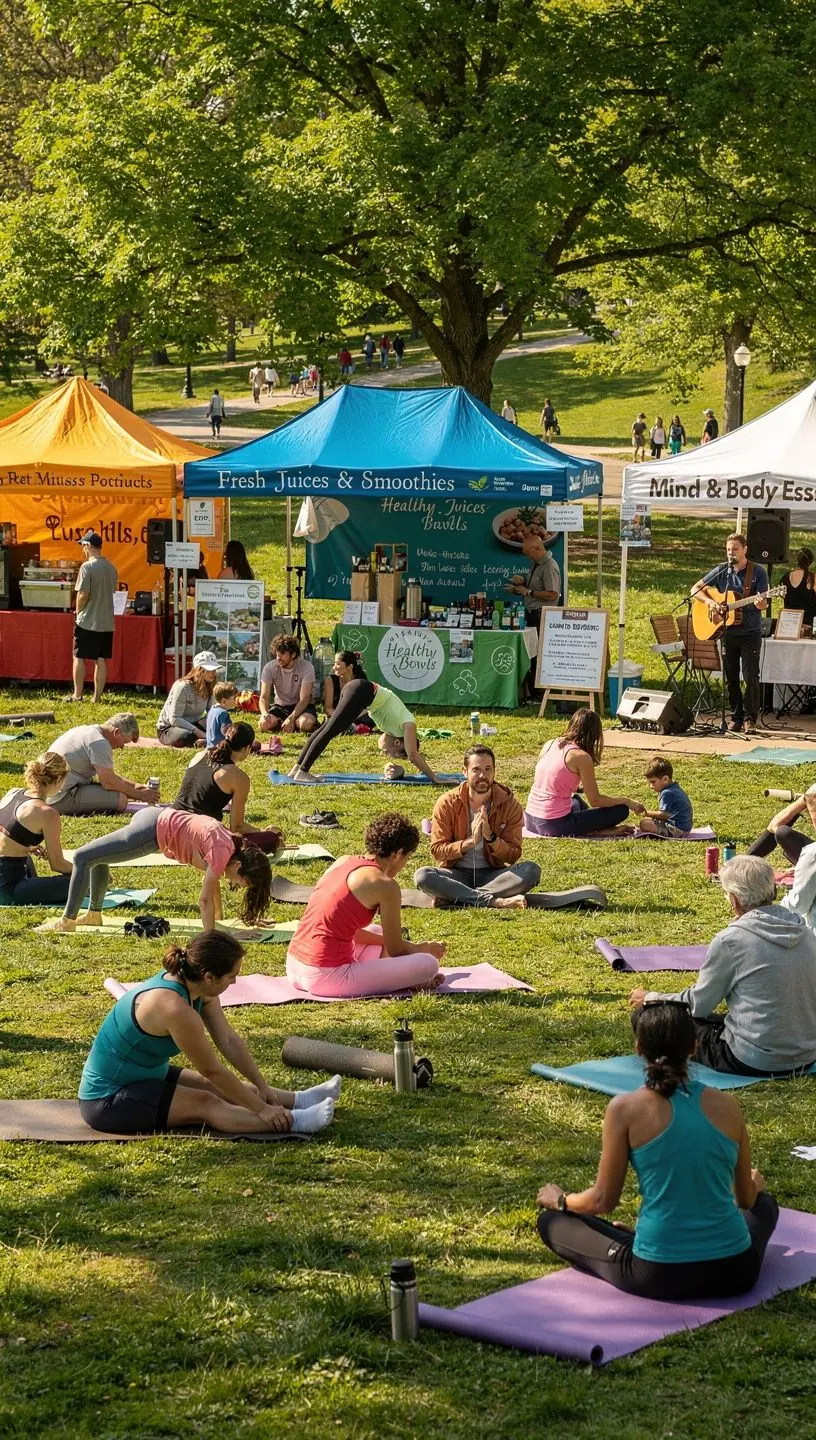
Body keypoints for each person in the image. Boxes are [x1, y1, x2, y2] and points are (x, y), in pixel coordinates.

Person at [536, 1000, 779, 1301]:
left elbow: (602, 1200)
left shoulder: (624, 1109)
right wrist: (756, 1184)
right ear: (694, 1047)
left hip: (659, 1273)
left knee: (551, 1221)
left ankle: (629, 1239)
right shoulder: (728, 1106)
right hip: (736, 1272)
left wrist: (560, 1200)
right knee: (765, 1205)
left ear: (638, 1048)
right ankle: (632, 1239)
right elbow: (745, 1199)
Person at [78, 931, 338, 1135]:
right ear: (210, 976)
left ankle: (301, 1099)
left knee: (209, 1087)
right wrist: (262, 1109)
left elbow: (228, 1040)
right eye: (231, 976)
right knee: (206, 1101)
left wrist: (262, 1086)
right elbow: (212, 1070)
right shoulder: (174, 1008)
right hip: (108, 1099)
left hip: (146, 1075)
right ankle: (292, 1121)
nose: (235, 982)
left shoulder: (197, 988)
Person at [629, 855, 816, 1076]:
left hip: (753, 1059)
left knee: (646, 1015)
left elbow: (699, 1004)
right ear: (773, 892)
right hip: (806, 1055)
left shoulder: (732, 940)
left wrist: (652, 997)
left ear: (735, 900)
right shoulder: (805, 932)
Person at [285, 813, 445, 997]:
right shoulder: (385, 885)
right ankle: (409, 978)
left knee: (376, 931)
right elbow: (397, 949)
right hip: (325, 976)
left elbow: (354, 933)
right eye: (406, 857)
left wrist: (403, 945)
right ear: (398, 854)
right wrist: (423, 948)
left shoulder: (343, 861)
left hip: (294, 965)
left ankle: (394, 975)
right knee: (428, 964)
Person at [42, 808, 272, 934]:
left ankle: (94, 915)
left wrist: (219, 920)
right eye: (244, 884)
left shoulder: (228, 846)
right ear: (239, 867)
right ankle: (68, 920)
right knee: (83, 857)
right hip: (150, 831)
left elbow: (211, 889)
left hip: (153, 818)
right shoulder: (223, 851)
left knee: (99, 857)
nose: (238, 886)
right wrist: (212, 937)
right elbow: (204, 901)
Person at [414, 745, 541, 909]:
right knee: (423, 876)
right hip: (456, 873)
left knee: (531, 870)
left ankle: (456, 896)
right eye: (476, 770)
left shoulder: (509, 805)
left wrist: (491, 838)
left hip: (494, 875)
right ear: (464, 772)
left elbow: (513, 855)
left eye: (488, 769)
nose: (483, 775)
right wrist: (470, 842)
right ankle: (493, 901)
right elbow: (437, 851)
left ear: (495, 771)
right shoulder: (447, 803)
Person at [288, 670, 441, 784]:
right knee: (330, 731)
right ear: (397, 742)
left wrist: (421, 770)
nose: (387, 754)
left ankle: (297, 768)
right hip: (360, 691)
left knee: (327, 728)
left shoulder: (393, 727)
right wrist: (434, 777)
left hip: (359, 690)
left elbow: (409, 753)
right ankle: (302, 771)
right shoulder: (408, 724)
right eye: (394, 753)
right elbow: (413, 754)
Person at [691, 532, 768, 735]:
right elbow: (695, 588)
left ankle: (751, 719)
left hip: (750, 632)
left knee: (750, 676)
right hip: (727, 631)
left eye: (734, 549)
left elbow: (764, 603)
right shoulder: (722, 571)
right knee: (730, 677)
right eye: (728, 550)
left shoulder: (758, 573)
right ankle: (736, 717)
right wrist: (710, 602)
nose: (730, 553)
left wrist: (761, 603)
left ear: (745, 549)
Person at [524, 708, 645, 837]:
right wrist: (626, 801)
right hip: (554, 824)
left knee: (576, 801)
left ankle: (594, 828)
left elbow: (551, 777)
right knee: (621, 810)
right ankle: (600, 830)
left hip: (531, 819)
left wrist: (578, 788)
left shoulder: (550, 743)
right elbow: (595, 800)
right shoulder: (581, 757)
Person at [174, 721, 284, 853]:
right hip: (198, 837)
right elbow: (237, 827)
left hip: (171, 827)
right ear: (246, 748)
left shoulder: (200, 755)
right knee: (271, 838)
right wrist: (262, 831)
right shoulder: (239, 778)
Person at [0, 752, 72, 905]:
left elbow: (7, 830)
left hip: (9, 870)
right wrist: (91, 874)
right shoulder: (47, 813)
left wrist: (24, 846)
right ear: (59, 779)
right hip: (7, 888)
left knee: (25, 858)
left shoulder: (12, 793)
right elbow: (57, 864)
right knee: (80, 881)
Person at [50, 714, 156, 815]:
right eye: (124, 741)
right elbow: (109, 783)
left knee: (123, 793)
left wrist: (136, 787)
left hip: (50, 792)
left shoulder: (89, 731)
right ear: (117, 732)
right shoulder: (99, 743)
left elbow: (109, 775)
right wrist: (141, 795)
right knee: (121, 800)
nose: (122, 746)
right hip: (59, 799)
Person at [71, 531, 118, 703]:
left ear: (88, 546)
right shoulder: (111, 568)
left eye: (83, 545)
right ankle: (97, 697)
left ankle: (77, 694)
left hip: (88, 619)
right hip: (106, 621)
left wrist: (78, 611)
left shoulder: (87, 567)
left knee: (79, 656)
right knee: (101, 659)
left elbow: (83, 594)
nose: (83, 549)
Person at [157, 652, 220, 747]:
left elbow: (211, 712)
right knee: (186, 736)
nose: (213, 673)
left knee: (218, 724)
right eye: (209, 670)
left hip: (194, 724)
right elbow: (174, 719)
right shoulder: (183, 687)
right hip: (170, 728)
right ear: (199, 670)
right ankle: (201, 740)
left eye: (214, 669)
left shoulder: (210, 686)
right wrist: (198, 731)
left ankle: (203, 740)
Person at [259, 634, 318, 734]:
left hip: (303, 706)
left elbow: (304, 699)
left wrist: (292, 717)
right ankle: (283, 723)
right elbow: (264, 697)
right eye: (276, 654)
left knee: (305, 724)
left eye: (282, 654)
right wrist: (264, 713)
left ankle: (293, 723)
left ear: (293, 654)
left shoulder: (307, 667)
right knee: (264, 724)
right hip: (280, 706)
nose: (278, 658)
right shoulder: (269, 667)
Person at [747, 784, 816, 866]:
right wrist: (743, 862)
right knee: (783, 832)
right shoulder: (812, 792)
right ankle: (742, 865)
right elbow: (776, 824)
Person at [504, 532, 560, 629]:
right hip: (532, 615)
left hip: (542, 617)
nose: (526, 556)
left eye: (527, 552)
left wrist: (529, 592)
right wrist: (520, 583)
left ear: (536, 549)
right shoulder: (536, 563)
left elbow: (552, 594)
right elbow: (534, 586)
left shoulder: (549, 566)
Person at [638, 757, 693, 836]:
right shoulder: (674, 787)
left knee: (644, 824)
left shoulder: (667, 793)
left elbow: (663, 815)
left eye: (653, 782)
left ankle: (668, 833)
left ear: (665, 779)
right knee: (647, 821)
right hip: (685, 827)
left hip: (678, 829)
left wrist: (646, 813)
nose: (651, 786)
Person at [323, 650, 373, 727]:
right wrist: (341, 719)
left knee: (370, 717)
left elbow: (365, 707)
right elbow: (328, 708)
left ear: (349, 667)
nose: (334, 667)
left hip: (357, 716)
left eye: (338, 664)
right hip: (336, 716)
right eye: (334, 664)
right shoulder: (330, 681)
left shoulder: (360, 680)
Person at [780, 547, 816, 630]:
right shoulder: (813, 578)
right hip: (808, 625)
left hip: (788, 624)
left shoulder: (786, 577)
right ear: (811, 561)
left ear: (798, 561)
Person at [205, 680, 239, 748]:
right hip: (220, 747)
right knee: (254, 745)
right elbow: (226, 732)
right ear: (224, 701)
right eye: (234, 698)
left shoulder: (212, 709)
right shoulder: (223, 713)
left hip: (210, 745)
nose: (237, 700)